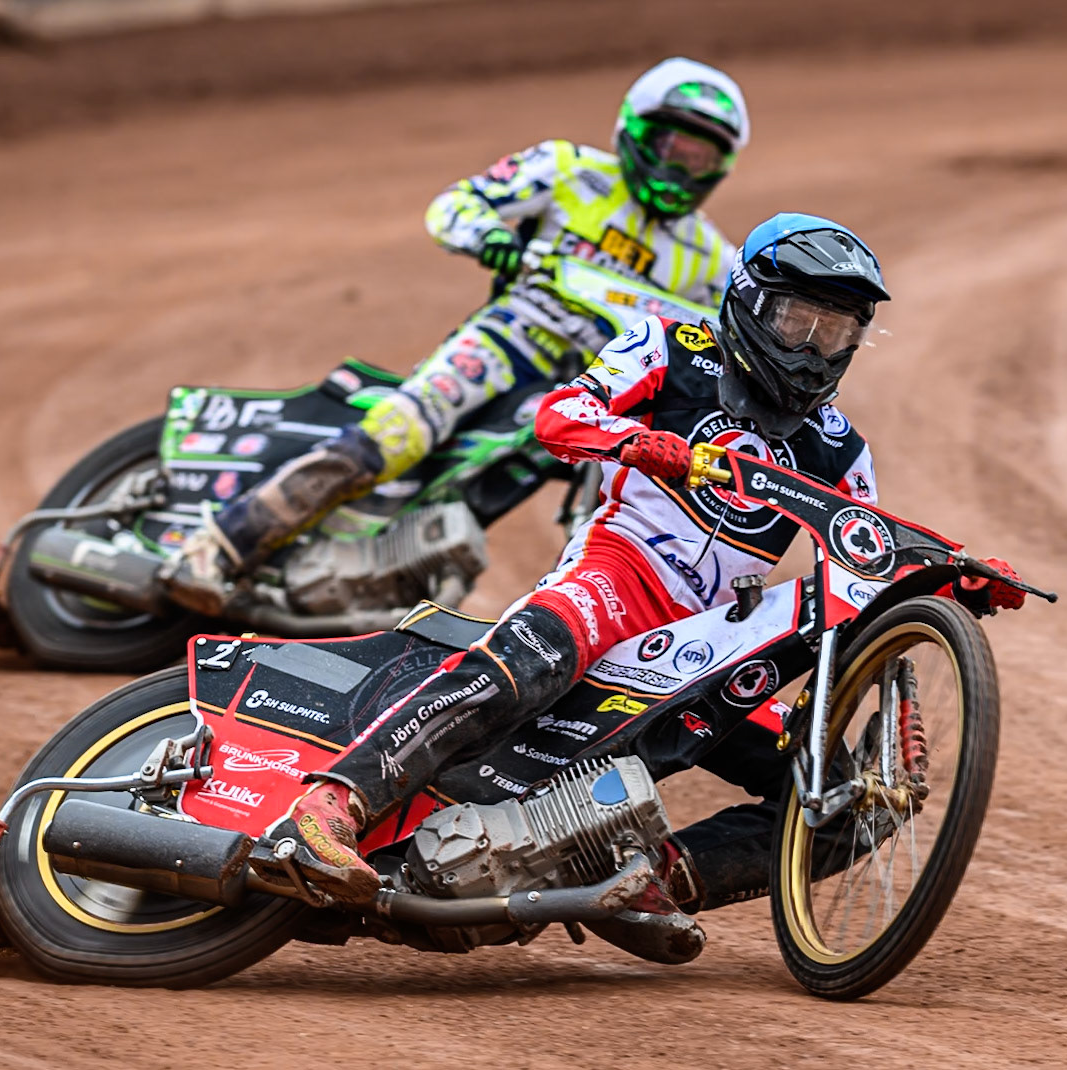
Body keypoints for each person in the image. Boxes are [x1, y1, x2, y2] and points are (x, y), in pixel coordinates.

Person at [266, 214, 1027, 916]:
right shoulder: (669, 345)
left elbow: (868, 553)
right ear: (751, 303)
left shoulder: (842, 448)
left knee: (852, 801)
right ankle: (330, 806)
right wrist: (637, 441)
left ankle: (651, 880)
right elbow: (559, 413)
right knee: (534, 654)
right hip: (616, 576)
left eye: (836, 333)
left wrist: (953, 570)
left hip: (710, 639)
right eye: (798, 321)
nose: (812, 349)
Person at [163, 57, 752, 614]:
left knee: (601, 490)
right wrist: (487, 236)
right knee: (398, 434)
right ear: (635, 130)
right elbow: (456, 204)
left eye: (700, 158)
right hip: (511, 338)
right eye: (671, 145)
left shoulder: (710, 258)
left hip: (592, 385)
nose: (680, 166)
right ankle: (216, 548)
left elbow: (738, 333)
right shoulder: (568, 168)